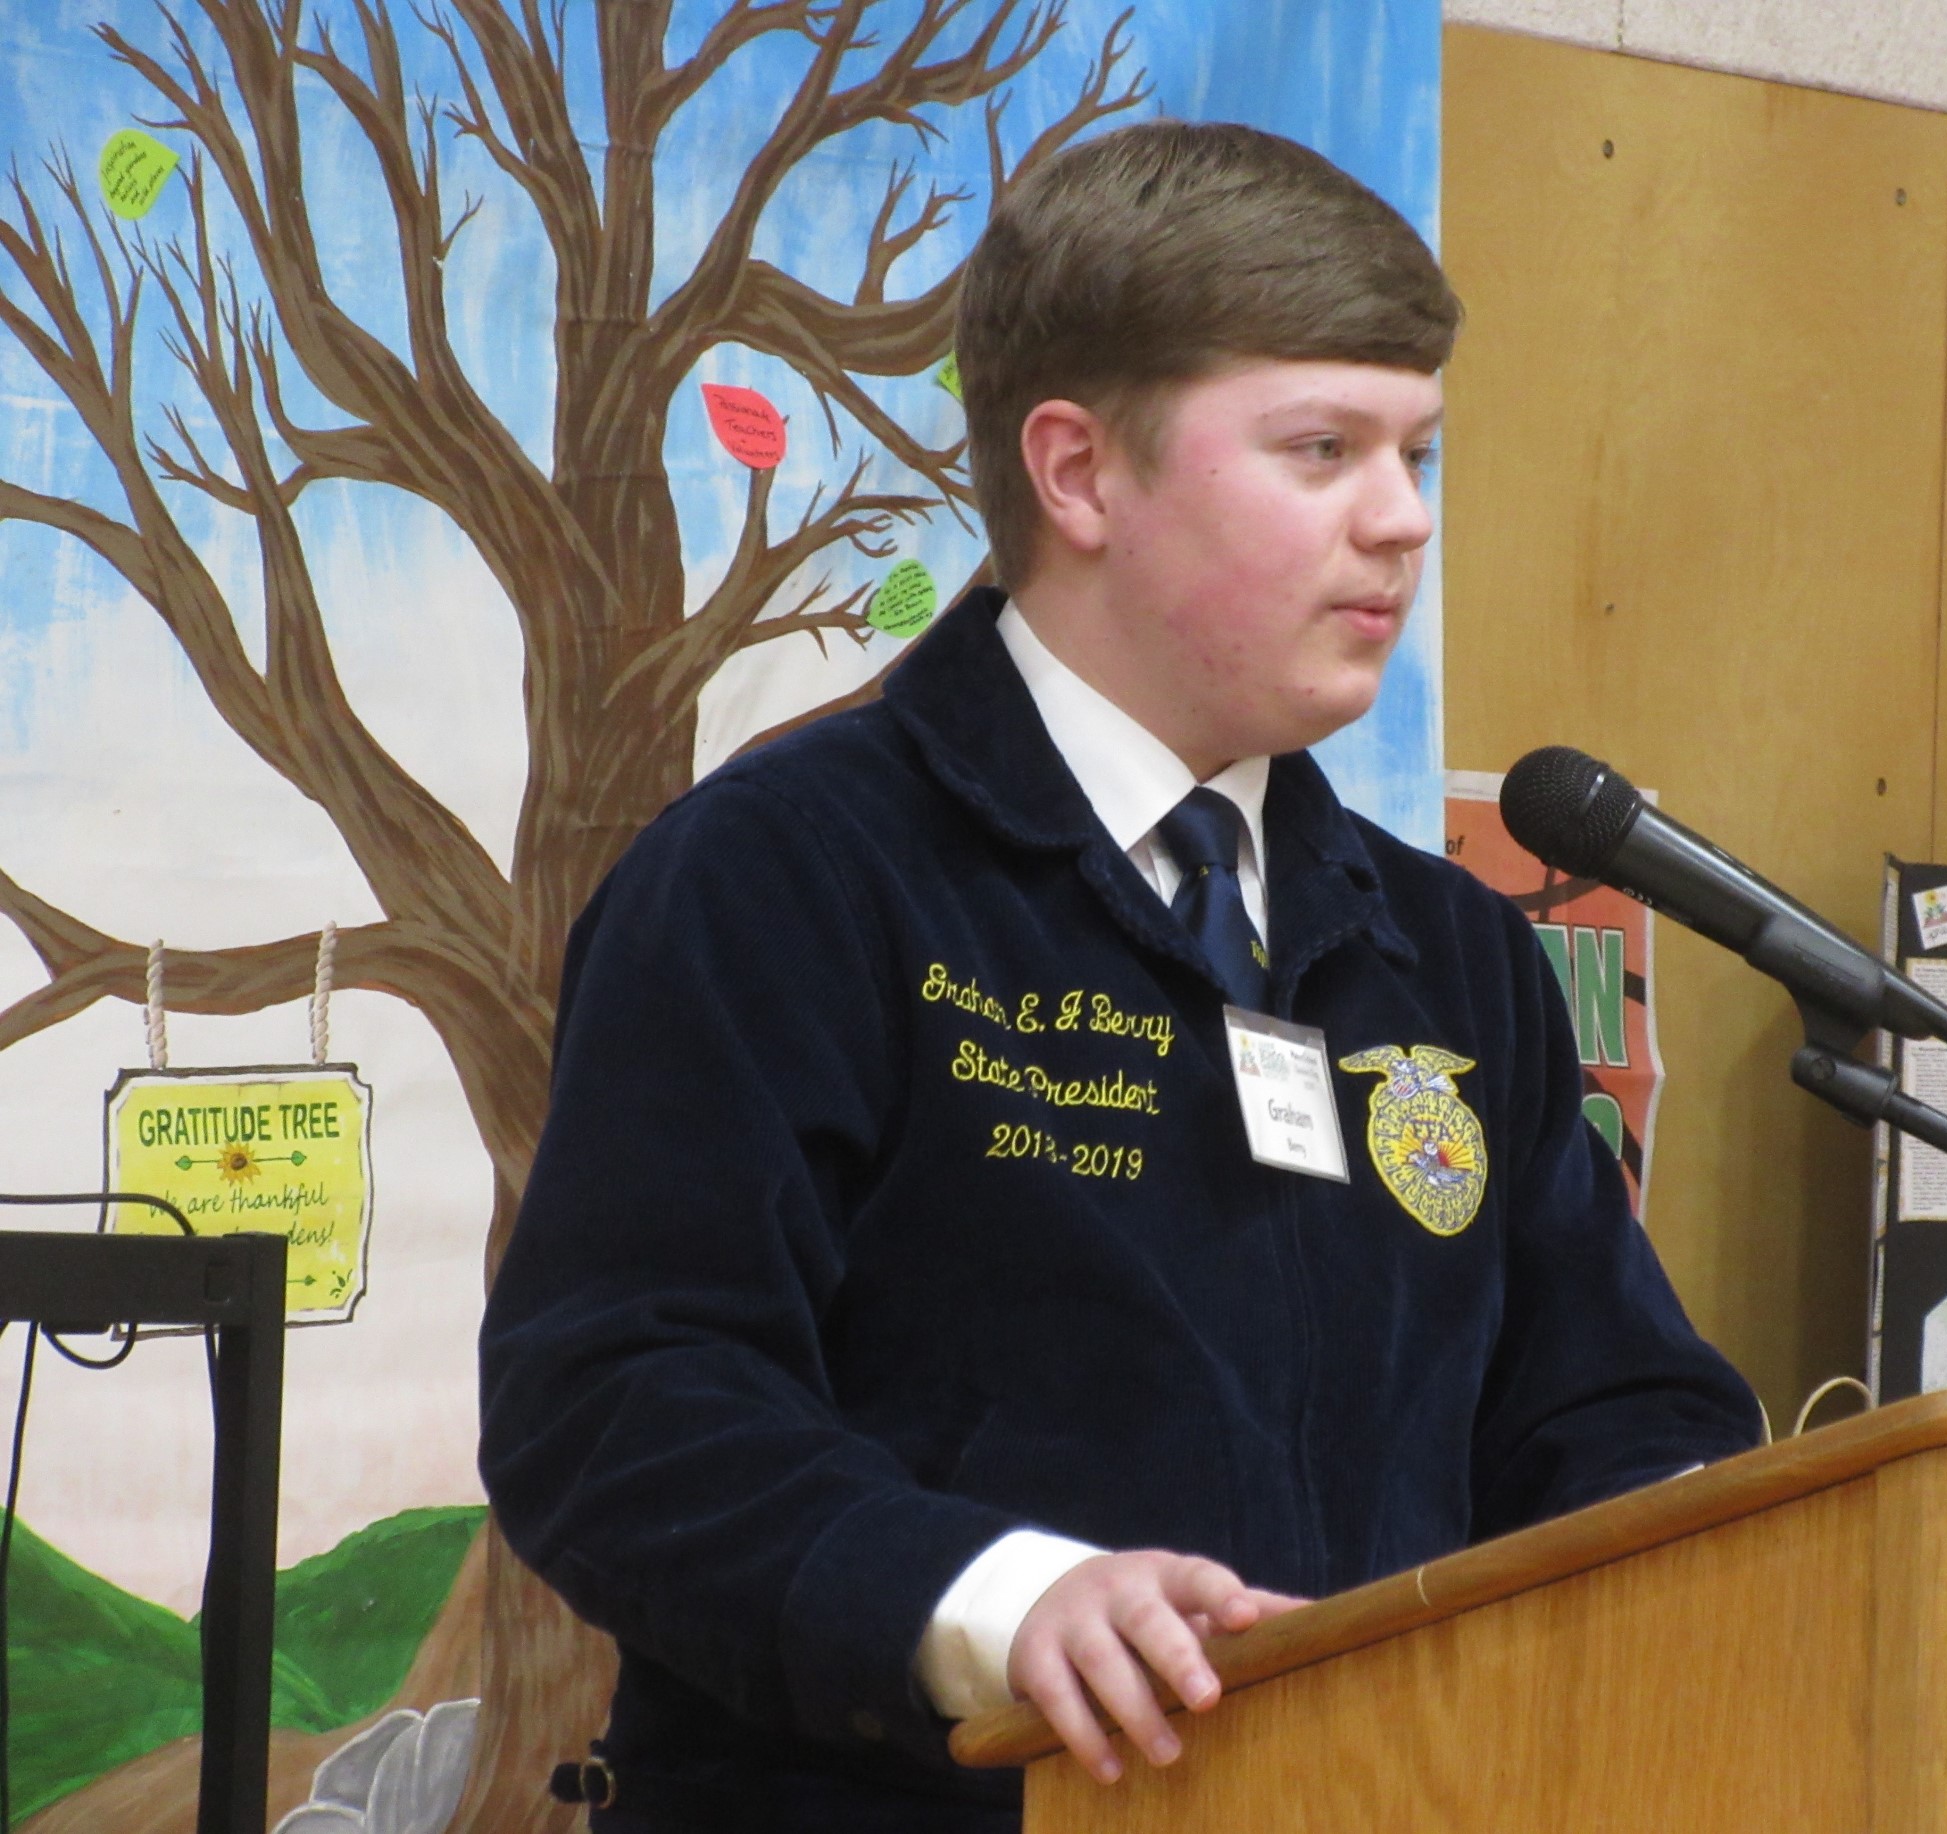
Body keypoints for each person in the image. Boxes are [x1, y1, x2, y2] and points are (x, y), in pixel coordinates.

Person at [478, 120, 1760, 1832]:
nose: (1399, 523)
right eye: (1322, 449)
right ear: (1078, 473)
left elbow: (1608, 1397)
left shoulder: (1446, 950)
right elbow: (619, 1402)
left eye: (1418, 454)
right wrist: (1001, 1603)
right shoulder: (785, 875)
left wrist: (1699, 1520)